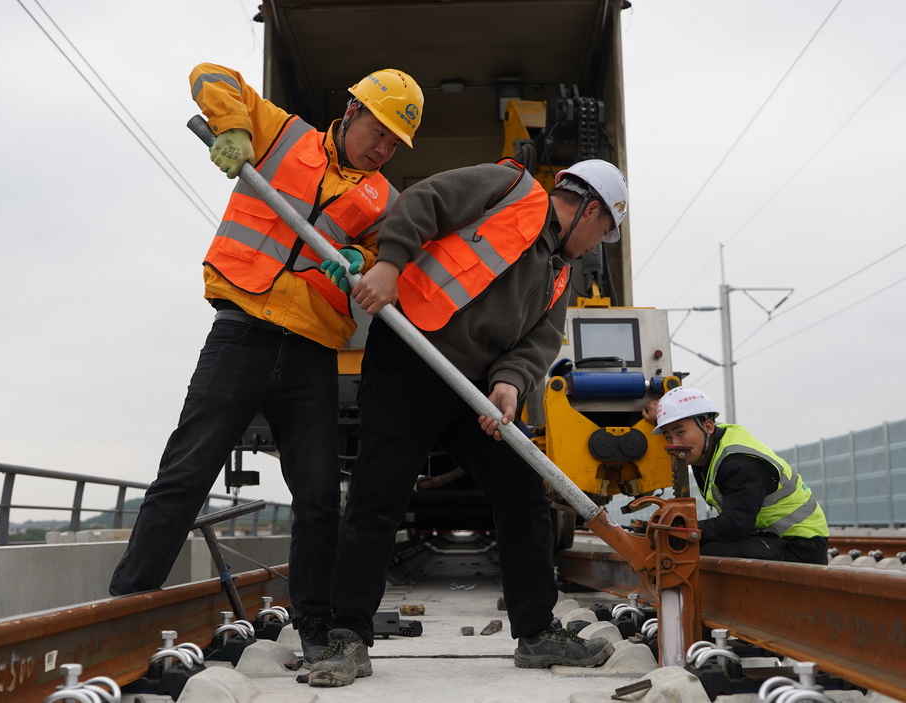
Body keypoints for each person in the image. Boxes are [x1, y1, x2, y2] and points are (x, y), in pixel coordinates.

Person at [107, 64, 424, 665]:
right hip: (241, 331)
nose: (383, 148)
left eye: (394, 142)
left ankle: (314, 625)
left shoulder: (386, 198)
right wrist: (233, 131)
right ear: (353, 109)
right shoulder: (283, 135)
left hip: (311, 350)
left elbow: (391, 257)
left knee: (318, 497)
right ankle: (127, 601)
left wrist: (359, 256)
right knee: (185, 472)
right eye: (379, 131)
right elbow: (210, 76)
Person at [306, 157, 629, 687]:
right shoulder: (509, 188)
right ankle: (347, 639)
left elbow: (538, 343)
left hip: (471, 387)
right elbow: (425, 201)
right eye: (601, 231)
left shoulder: (560, 274)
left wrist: (509, 382)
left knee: (523, 488)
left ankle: (536, 634)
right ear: (589, 209)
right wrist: (389, 263)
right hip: (410, 354)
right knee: (376, 497)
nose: (596, 244)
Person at [645, 387, 829, 564]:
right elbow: (688, 423)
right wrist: (662, 418)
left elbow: (734, 526)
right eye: (668, 437)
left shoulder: (740, 464)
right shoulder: (709, 442)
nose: (675, 443)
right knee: (695, 545)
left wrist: (677, 530)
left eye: (680, 432)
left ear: (708, 426)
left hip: (801, 546)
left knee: (703, 551)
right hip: (772, 537)